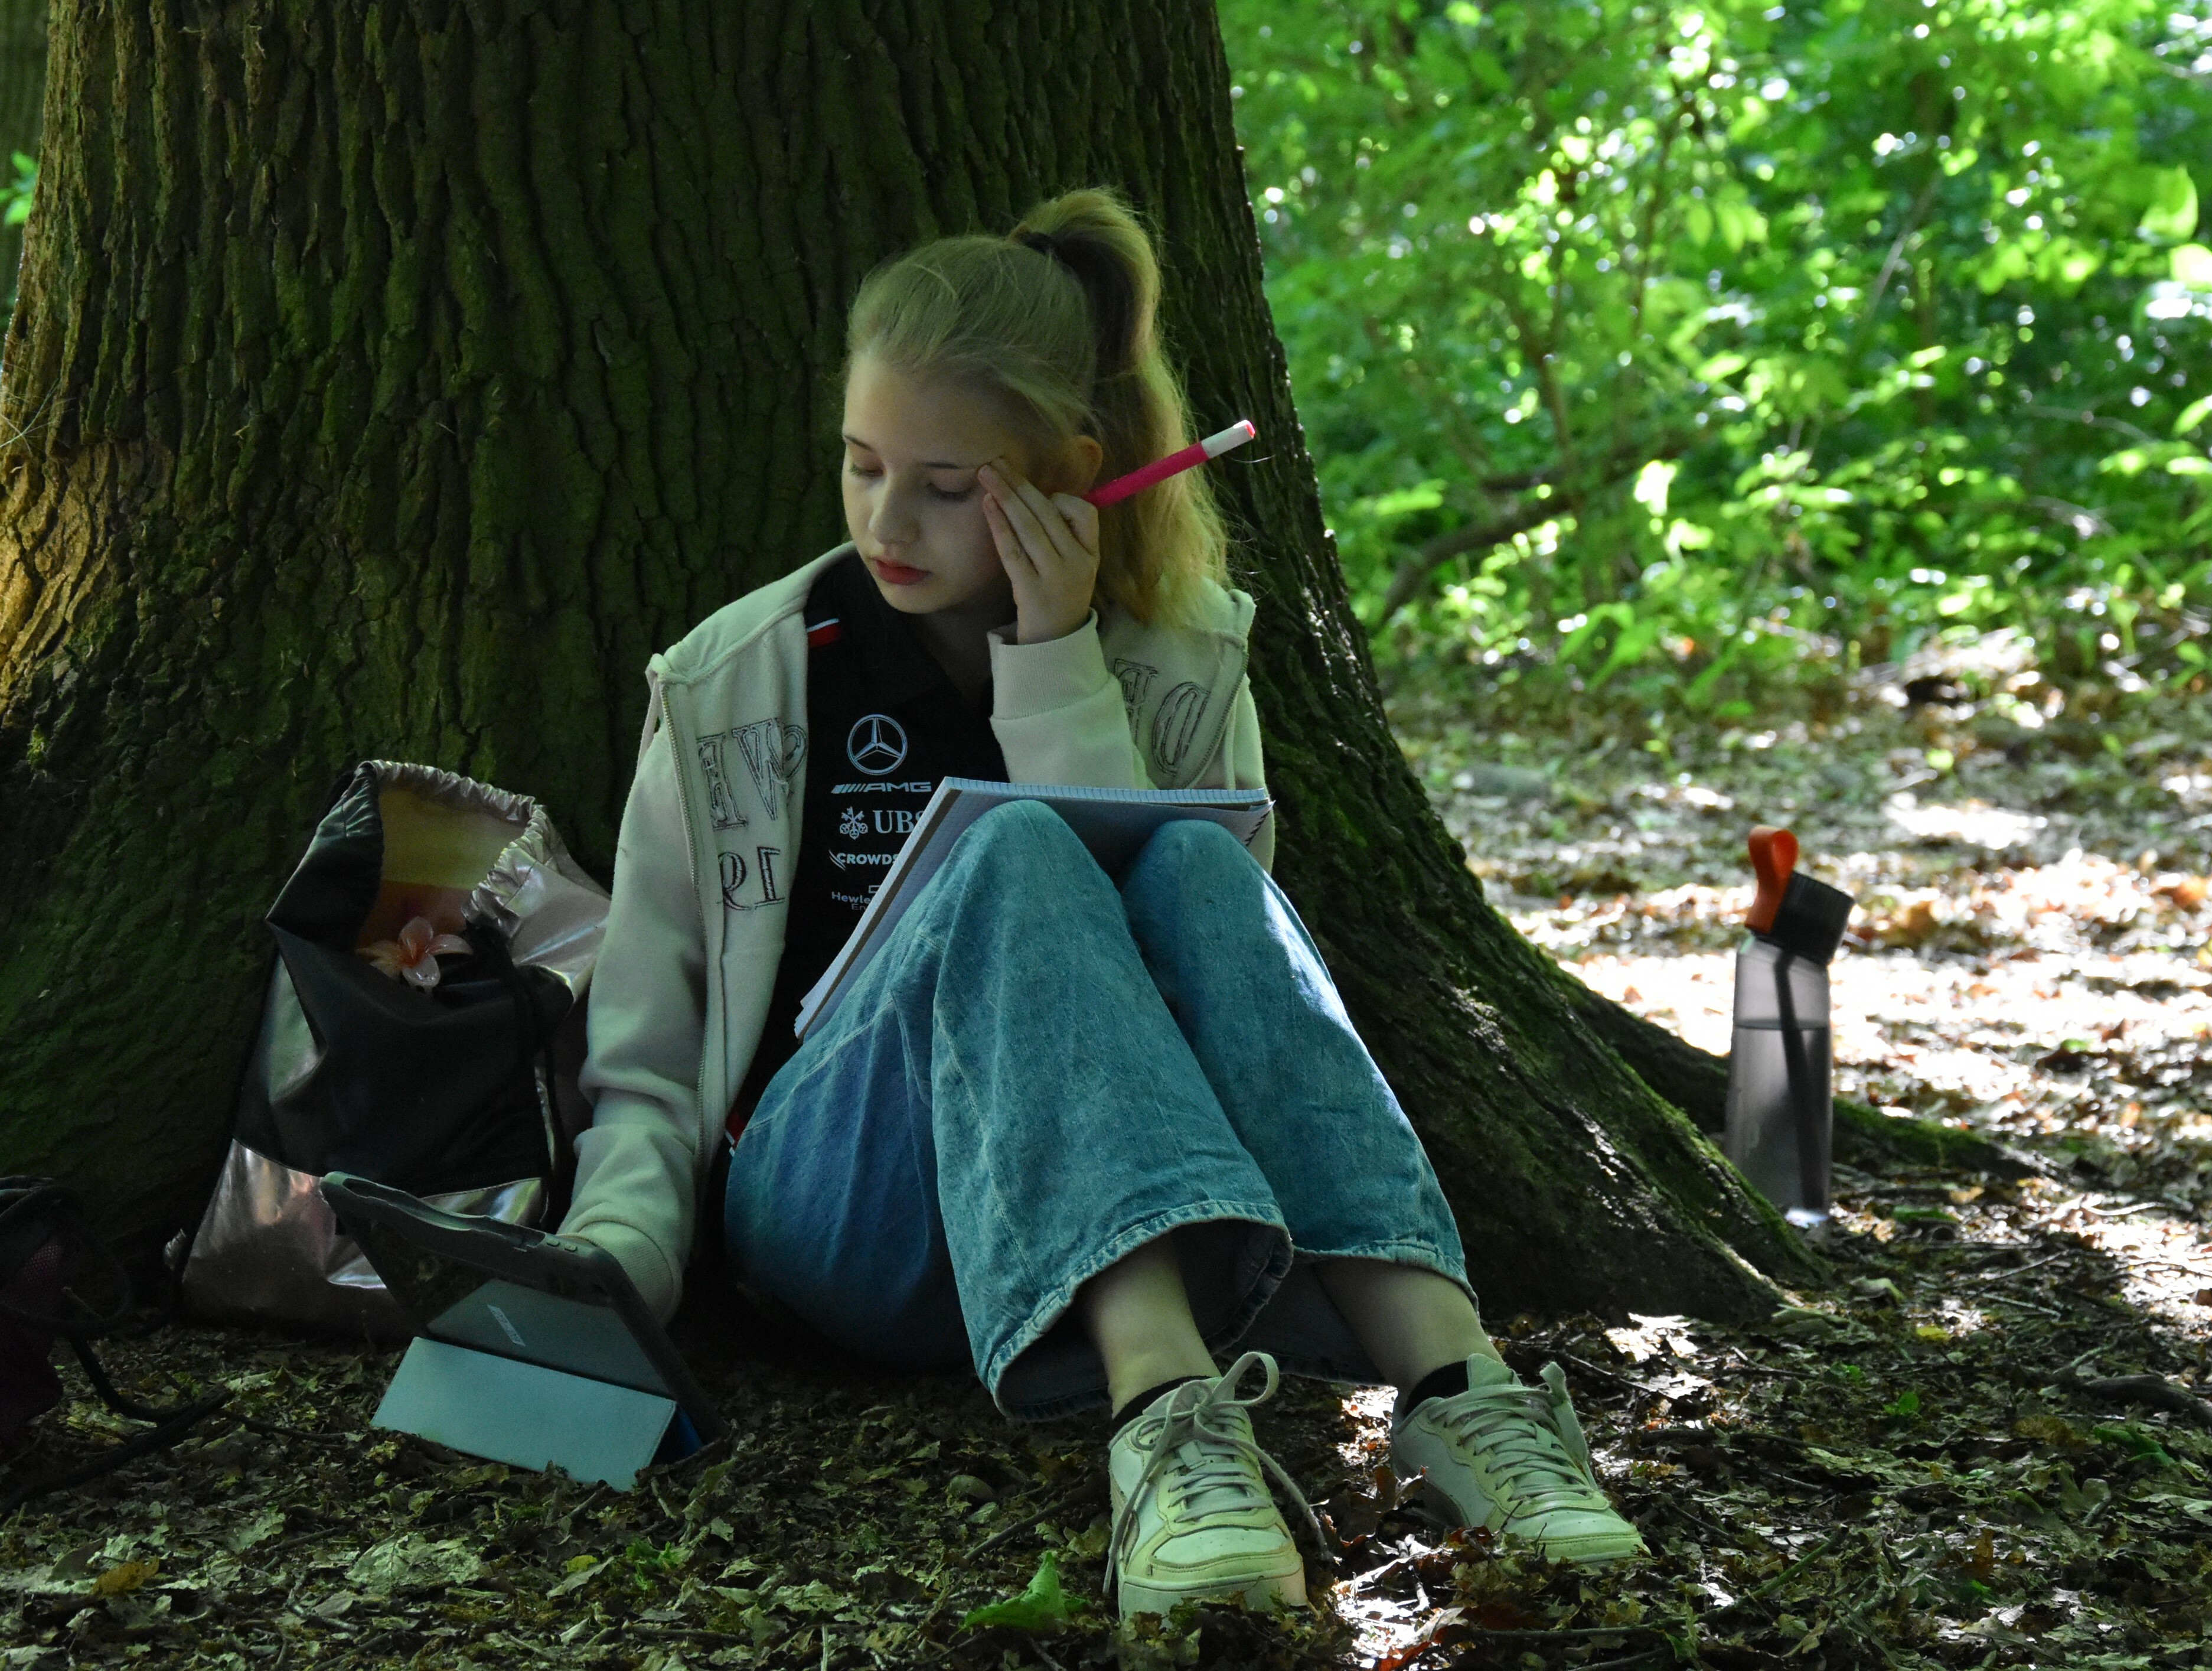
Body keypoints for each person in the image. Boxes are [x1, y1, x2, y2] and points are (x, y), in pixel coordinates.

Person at [559, 186, 1645, 1618]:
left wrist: (1058, 659)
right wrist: (614, 1263)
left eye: (949, 486)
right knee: (1012, 850)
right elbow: (647, 1041)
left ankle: (1462, 1389)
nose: (888, 518)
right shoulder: (738, 675)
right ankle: (1166, 1416)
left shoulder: (1178, 663)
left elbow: (1203, 1009)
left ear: (1071, 474)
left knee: (1190, 862)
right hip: (841, 1204)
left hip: (1111, 1206)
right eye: (862, 465)